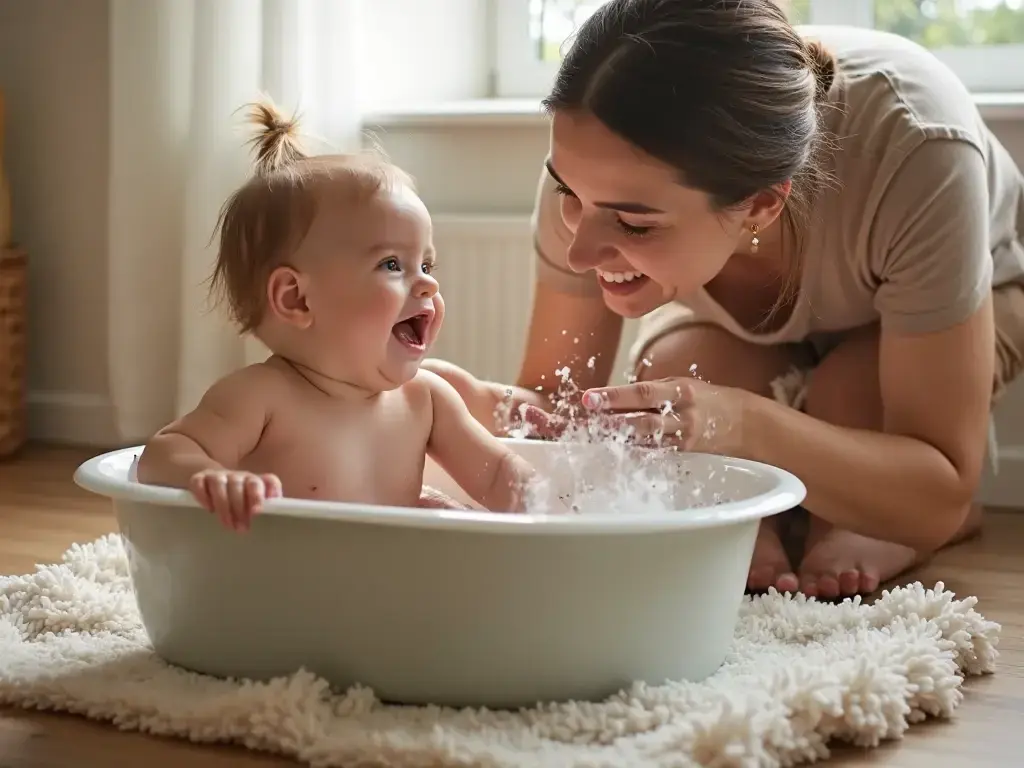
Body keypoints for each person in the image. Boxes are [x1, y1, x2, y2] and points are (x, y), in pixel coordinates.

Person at [424, 0, 1024, 600]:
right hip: (765, 321)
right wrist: (469, 404)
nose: (579, 253)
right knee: (670, 379)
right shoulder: (597, 173)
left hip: (987, 291)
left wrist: (747, 425)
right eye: (567, 193)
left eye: (634, 224)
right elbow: (562, 409)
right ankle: (785, 511)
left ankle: (846, 516)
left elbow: (939, 482)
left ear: (762, 204)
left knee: (848, 392)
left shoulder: (919, 152)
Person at [137, 101, 540, 529]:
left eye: (427, 265)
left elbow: (497, 472)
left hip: (386, 583)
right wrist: (212, 477)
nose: (428, 284)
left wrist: (552, 504)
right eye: (391, 265)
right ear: (296, 299)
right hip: (298, 580)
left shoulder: (427, 400)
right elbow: (162, 454)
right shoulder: (261, 397)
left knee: (446, 516)